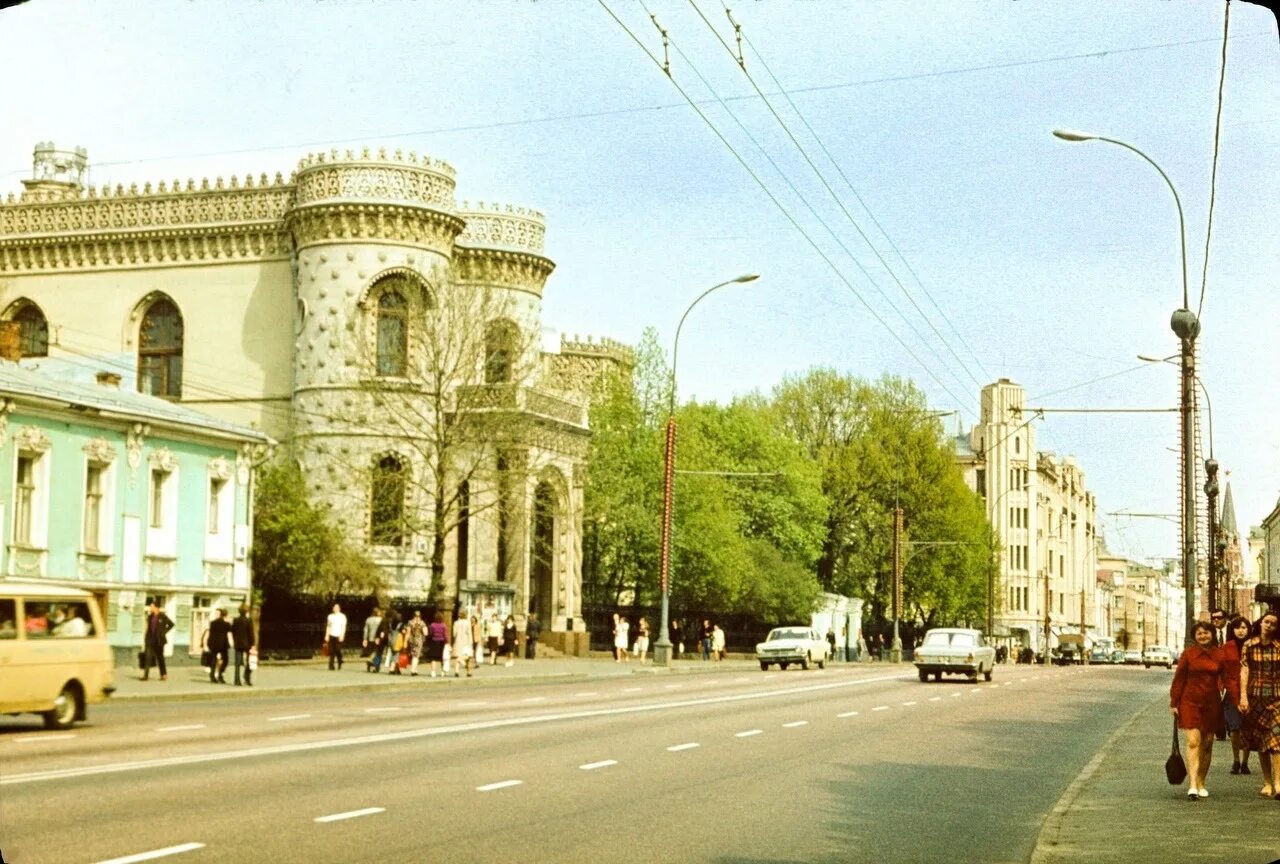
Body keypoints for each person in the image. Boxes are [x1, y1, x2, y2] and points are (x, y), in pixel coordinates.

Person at [1170, 621, 1229, 800]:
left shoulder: (1220, 655)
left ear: (1212, 634)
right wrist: (1174, 703)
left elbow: (1226, 678)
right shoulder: (1188, 654)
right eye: (1199, 633)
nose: (1203, 636)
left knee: (1208, 743)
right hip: (1189, 702)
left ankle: (1202, 781)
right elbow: (1179, 679)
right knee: (1194, 742)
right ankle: (1193, 785)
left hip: (1212, 703)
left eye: (1206, 633)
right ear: (1194, 636)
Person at [1240, 609, 1280, 799]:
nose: (1269, 626)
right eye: (1267, 622)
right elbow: (1244, 670)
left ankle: (1279, 783)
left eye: (1273, 623)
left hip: (1277, 698)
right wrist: (1243, 697)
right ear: (1260, 623)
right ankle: (1267, 782)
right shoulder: (1249, 645)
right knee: (1261, 742)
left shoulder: (1279, 647)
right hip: (1255, 698)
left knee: (1277, 742)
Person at [1220, 615, 1252, 774]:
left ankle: (1245, 762)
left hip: (1251, 691)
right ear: (1232, 630)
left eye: (1244, 627)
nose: (1241, 631)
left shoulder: (1253, 645)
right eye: (1238, 627)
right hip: (1232, 691)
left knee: (1247, 728)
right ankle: (1235, 760)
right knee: (1234, 728)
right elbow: (1221, 670)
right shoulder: (1227, 647)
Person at [141, 601, 174, 681]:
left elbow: (171, 624)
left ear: (156, 607)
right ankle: (145, 676)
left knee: (160, 658)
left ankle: (163, 674)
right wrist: (146, 638)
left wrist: (163, 632)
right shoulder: (150, 616)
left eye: (152, 606)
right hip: (150, 640)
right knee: (148, 657)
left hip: (159, 641)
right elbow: (148, 628)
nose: (150, 608)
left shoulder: (162, 616)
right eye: (150, 606)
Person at [206, 608, 232, 683]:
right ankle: (220, 674)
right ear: (226, 615)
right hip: (222, 644)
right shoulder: (226, 624)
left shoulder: (212, 623)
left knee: (213, 660)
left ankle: (212, 676)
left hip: (213, 643)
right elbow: (230, 630)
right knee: (225, 660)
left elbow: (211, 633)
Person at [231, 604, 254, 686]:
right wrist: (253, 644)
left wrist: (235, 640)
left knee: (237, 664)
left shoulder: (235, 620)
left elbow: (233, 631)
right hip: (247, 644)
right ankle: (247, 679)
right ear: (246, 611)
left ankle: (236, 680)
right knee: (249, 662)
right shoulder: (248, 621)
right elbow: (251, 633)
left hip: (238, 643)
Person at [324, 603, 347, 670]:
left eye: (336, 607)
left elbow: (343, 626)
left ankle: (340, 660)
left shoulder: (342, 616)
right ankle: (331, 665)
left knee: (337, 649)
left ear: (339, 609)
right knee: (331, 650)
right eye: (334, 607)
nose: (335, 609)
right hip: (331, 634)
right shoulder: (330, 616)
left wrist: (342, 635)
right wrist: (327, 635)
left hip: (339, 634)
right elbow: (328, 626)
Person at [452, 610, 475, 677]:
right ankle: (468, 672)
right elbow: (469, 633)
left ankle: (456, 671)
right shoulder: (468, 623)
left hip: (458, 641)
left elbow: (454, 634)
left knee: (458, 655)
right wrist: (471, 642)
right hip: (466, 641)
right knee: (467, 657)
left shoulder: (456, 623)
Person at [405, 610, 427, 676]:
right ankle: (413, 670)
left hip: (412, 640)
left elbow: (408, 633)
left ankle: (415, 670)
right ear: (420, 616)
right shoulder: (422, 623)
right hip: (419, 640)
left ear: (413, 615)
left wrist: (405, 641)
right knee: (416, 656)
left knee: (414, 655)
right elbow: (426, 633)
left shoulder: (410, 622)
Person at [427, 612, 449, 677]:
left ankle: (433, 672)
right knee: (442, 658)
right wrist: (448, 642)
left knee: (433, 658)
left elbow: (430, 634)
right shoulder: (443, 625)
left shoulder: (432, 625)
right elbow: (445, 635)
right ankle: (442, 672)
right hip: (442, 642)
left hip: (434, 642)